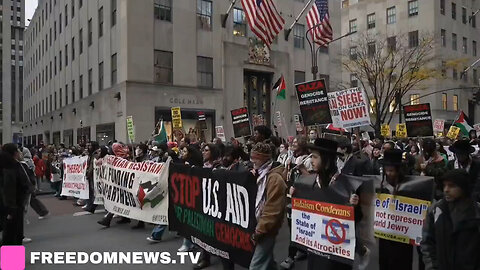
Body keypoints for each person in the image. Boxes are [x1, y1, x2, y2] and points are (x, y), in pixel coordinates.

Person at [305, 138, 365, 270]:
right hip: (316, 248)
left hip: (336, 252)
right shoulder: (310, 182)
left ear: (326, 159)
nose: (311, 161)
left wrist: (352, 207)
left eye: (315, 157)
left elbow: (359, 218)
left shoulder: (345, 184)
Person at [421, 169, 480, 270]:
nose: (446, 190)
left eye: (452, 186)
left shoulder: (477, 212)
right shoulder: (436, 210)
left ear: (463, 188)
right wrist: (431, 266)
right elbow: (427, 242)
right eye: (444, 185)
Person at [249, 142, 287, 270]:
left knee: (257, 265)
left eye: (255, 159)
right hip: (259, 224)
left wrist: (260, 230)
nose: (252, 162)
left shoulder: (275, 179)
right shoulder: (259, 174)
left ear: (263, 159)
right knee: (267, 260)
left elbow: (273, 209)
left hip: (267, 228)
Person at [377, 149, 414, 270]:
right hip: (385, 236)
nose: (388, 174)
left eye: (391, 171)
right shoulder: (380, 186)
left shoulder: (410, 187)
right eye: (386, 170)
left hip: (403, 237)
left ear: (398, 170)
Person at [0, 144, 34, 245]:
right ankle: (12, 260)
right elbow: (10, 188)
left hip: (10, 204)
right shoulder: (12, 167)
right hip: (13, 205)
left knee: (10, 234)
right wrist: (11, 208)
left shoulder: (9, 165)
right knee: (12, 235)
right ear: (14, 153)